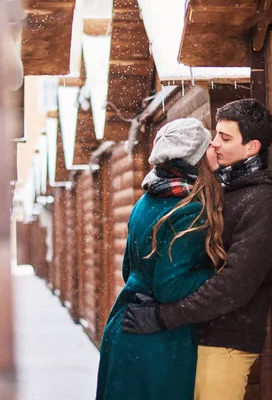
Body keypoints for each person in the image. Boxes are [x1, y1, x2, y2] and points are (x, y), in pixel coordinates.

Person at [122, 99, 272, 400]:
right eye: (215, 136)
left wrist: (163, 317)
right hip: (193, 337)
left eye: (225, 138)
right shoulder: (217, 190)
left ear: (252, 147)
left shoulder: (263, 203)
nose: (215, 145)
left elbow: (233, 285)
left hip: (226, 344)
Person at [95, 118, 226, 400]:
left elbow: (129, 268)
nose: (215, 147)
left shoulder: (147, 200)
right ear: (195, 157)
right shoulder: (188, 210)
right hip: (157, 344)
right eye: (208, 144)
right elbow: (170, 287)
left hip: (124, 327)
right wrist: (217, 274)